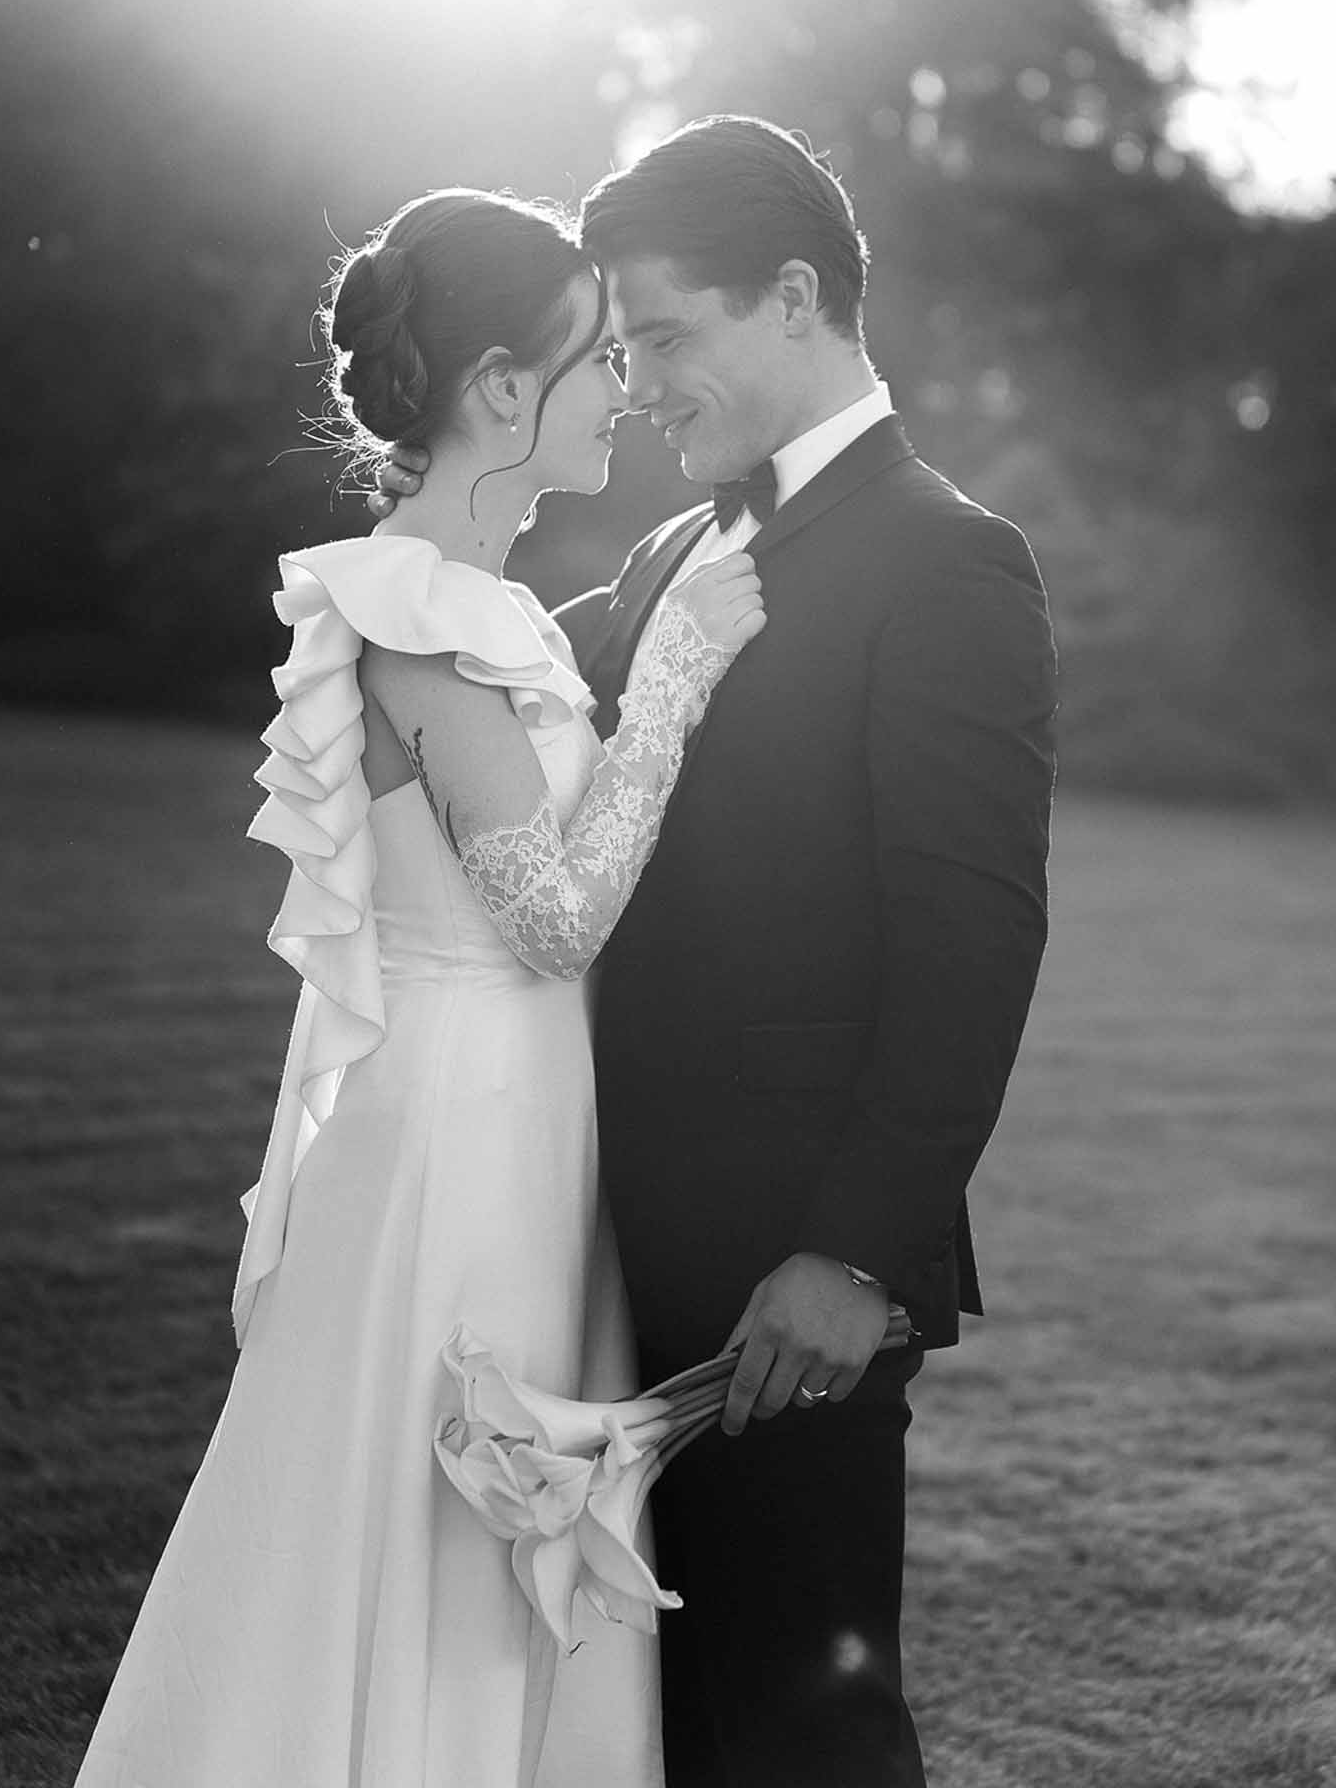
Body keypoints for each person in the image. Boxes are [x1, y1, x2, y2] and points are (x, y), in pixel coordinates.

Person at [376, 118, 1058, 1786]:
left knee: (801, 1719)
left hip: (786, 1285)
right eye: (620, 351)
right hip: (602, 1247)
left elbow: (974, 938)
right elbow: (496, 727)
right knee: (652, 1729)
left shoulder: (946, 563)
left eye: (666, 339)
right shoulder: (674, 552)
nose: (644, 382)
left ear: (797, 299)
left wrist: (852, 1255)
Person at [72, 188, 765, 1788]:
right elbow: (555, 916)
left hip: (524, 1117)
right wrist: (668, 684)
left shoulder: (487, 610)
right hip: (462, 1132)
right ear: (504, 389)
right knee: (428, 1520)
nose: (623, 393)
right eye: (598, 361)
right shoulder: (413, 619)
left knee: (491, 1527)